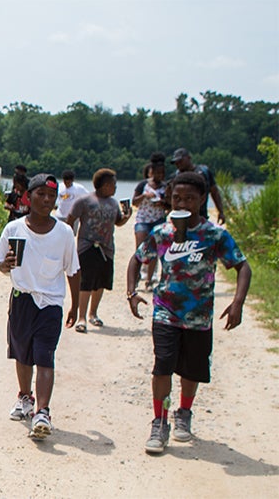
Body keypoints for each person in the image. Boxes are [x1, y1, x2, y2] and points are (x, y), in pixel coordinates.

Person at [126, 171, 251, 454]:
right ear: (169, 199)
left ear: (201, 199)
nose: (182, 203)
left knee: (192, 369)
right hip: (165, 312)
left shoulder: (214, 235)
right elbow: (136, 260)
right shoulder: (162, 233)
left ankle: (183, 413)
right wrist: (132, 293)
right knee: (163, 365)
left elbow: (243, 266)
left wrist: (238, 302)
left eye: (189, 198)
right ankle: (159, 421)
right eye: (176, 198)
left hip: (199, 316)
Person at [0, 173, 80, 441]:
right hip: (22, 298)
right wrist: (6, 265)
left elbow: (73, 271)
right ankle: (24, 398)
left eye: (52, 196)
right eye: (40, 194)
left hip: (51, 304)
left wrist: (75, 305)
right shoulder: (14, 229)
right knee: (22, 353)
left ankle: (42, 412)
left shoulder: (64, 233)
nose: (46, 200)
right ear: (28, 197)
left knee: (45, 355)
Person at [66, 168, 132, 333]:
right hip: (87, 246)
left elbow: (118, 222)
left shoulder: (113, 203)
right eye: (113, 184)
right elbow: (71, 219)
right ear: (104, 185)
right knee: (86, 281)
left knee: (101, 282)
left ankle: (93, 313)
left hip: (107, 248)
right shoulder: (85, 201)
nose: (115, 187)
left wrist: (126, 216)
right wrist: (67, 238)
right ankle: (81, 317)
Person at [132, 154, 168, 290]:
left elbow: (170, 205)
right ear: (152, 172)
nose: (160, 176)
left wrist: (162, 203)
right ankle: (136, 278)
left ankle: (149, 280)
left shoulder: (166, 186)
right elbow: (134, 202)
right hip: (143, 220)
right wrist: (144, 196)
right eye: (157, 173)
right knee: (141, 249)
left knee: (155, 251)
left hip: (159, 220)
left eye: (162, 173)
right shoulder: (143, 185)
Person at [170, 148, 226, 225]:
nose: (178, 164)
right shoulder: (176, 176)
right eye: (176, 162)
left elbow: (214, 192)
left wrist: (220, 211)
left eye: (180, 161)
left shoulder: (203, 172)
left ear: (189, 158)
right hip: (181, 218)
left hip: (201, 215)